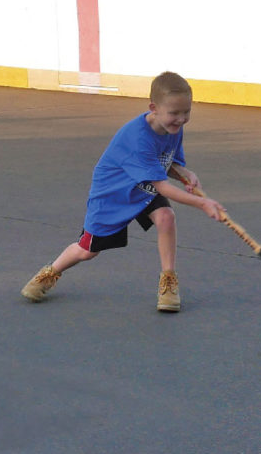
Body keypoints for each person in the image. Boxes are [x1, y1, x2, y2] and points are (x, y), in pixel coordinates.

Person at [21, 72, 228, 312]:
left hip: (143, 187)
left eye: (186, 112)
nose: (181, 119)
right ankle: (49, 274)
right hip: (114, 194)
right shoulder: (138, 138)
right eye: (175, 113)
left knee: (166, 217)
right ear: (154, 108)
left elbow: (165, 163)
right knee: (87, 251)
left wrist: (186, 173)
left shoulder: (172, 128)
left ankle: (168, 281)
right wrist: (202, 203)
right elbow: (161, 185)